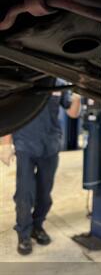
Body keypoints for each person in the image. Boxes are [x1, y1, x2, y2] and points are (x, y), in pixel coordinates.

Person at [0, 88, 81, 255]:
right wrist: (5, 143)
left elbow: (73, 113)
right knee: (24, 195)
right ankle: (24, 234)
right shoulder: (27, 79)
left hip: (50, 146)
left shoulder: (59, 83)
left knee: (44, 195)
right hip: (25, 146)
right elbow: (9, 111)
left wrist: (77, 96)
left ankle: (37, 227)